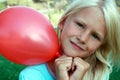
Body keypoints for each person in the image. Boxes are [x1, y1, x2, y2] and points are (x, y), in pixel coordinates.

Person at [19, 0, 120, 80]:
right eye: (80, 25)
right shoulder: (31, 76)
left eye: (95, 36)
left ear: (100, 45)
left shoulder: (98, 75)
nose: (83, 39)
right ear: (63, 21)